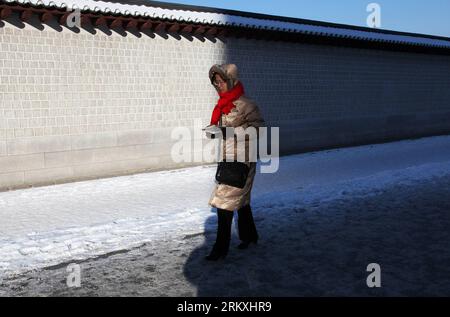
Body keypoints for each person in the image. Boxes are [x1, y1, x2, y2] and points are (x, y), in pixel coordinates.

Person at [205, 63, 265, 261]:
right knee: (241, 201)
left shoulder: (247, 105)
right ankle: (250, 236)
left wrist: (229, 132)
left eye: (222, 81)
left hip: (243, 162)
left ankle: (220, 249)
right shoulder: (223, 105)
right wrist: (214, 131)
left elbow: (259, 130)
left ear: (231, 81)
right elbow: (224, 133)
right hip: (228, 158)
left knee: (224, 203)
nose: (219, 85)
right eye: (216, 82)